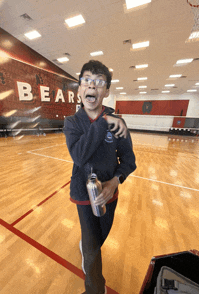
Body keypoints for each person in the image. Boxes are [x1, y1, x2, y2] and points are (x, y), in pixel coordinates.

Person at [63, 60, 136, 294]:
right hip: (84, 195)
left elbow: (129, 161)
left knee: (98, 239)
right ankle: (96, 289)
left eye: (98, 83)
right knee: (93, 250)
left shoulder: (120, 124)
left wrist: (114, 182)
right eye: (86, 81)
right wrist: (104, 122)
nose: (91, 86)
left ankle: (87, 246)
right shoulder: (72, 123)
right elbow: (80, 156)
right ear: (80, 89)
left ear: (106, 91)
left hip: (109, 195)